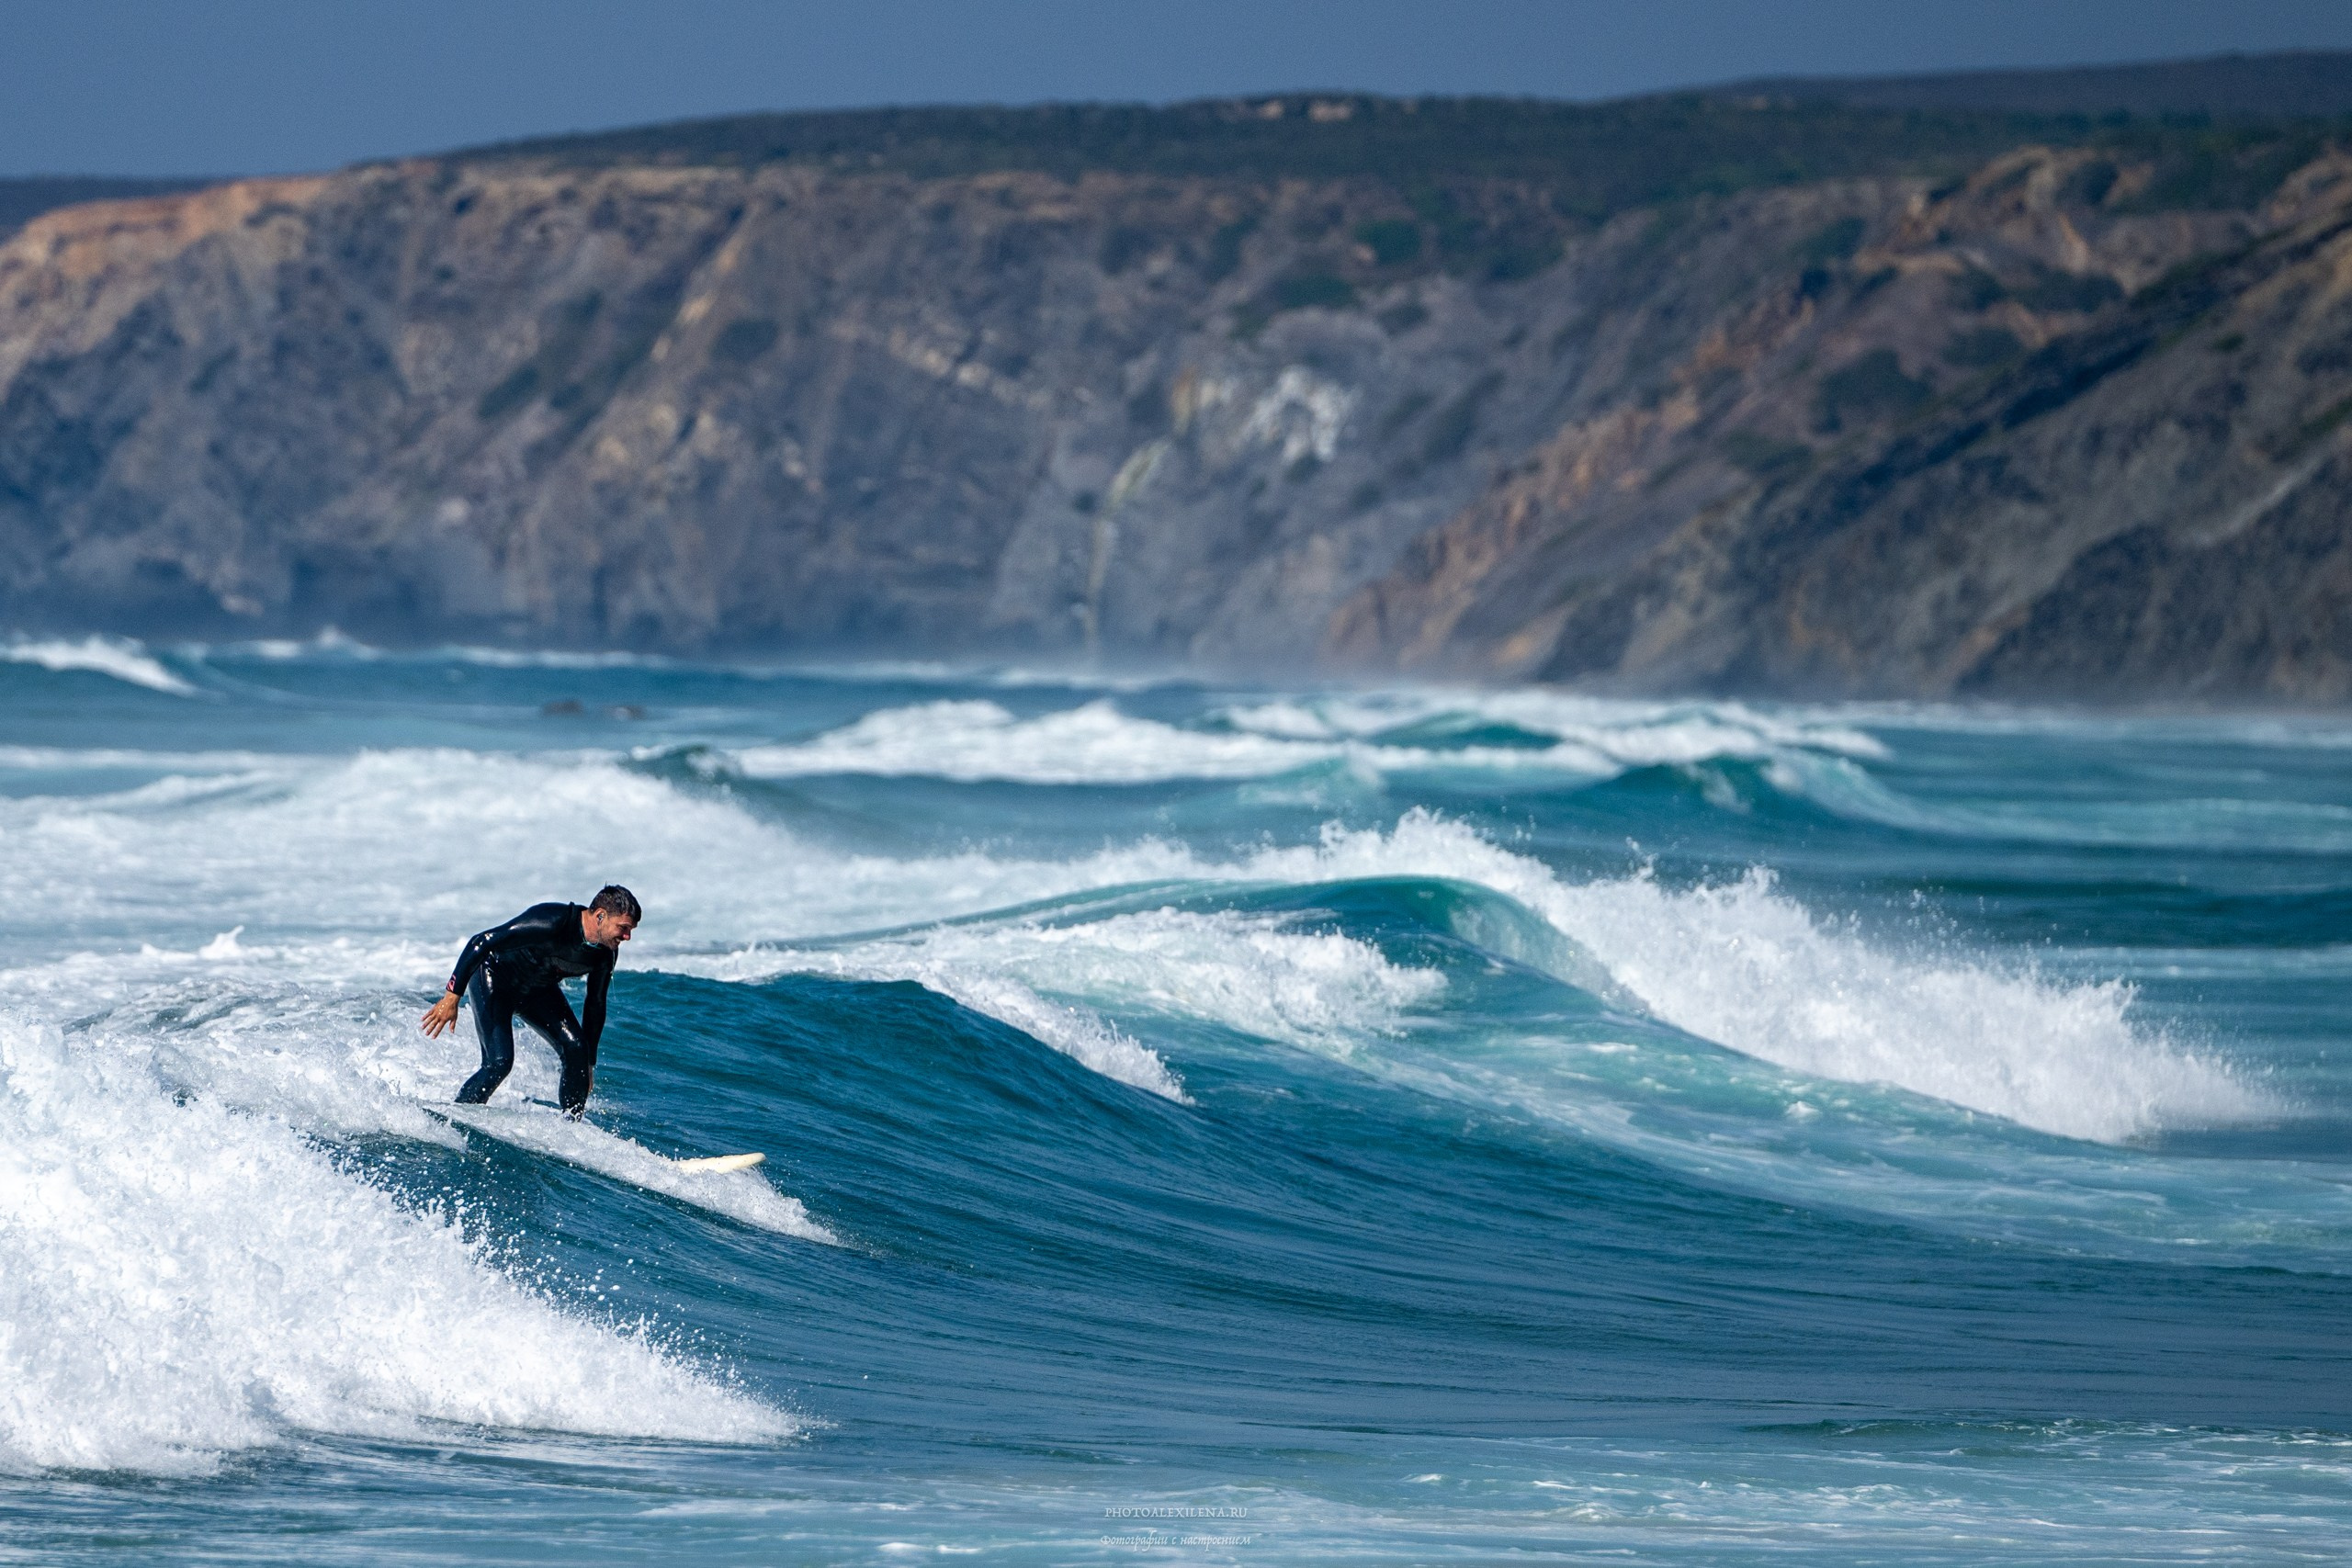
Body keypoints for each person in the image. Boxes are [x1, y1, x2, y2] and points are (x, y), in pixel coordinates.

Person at [421, 886, 641, 1117]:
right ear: (600, 916)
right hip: (495, 980)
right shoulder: (552, 921)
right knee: (499, 1063)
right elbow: (482, 941)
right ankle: (458, 1115)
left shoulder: (605, 954)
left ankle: (572, 1128)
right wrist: (452, 995)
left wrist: (588, 1063)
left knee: (577, 1049)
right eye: (623, 928)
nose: (627, 936)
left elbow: (596, 1003)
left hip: (537, 991)